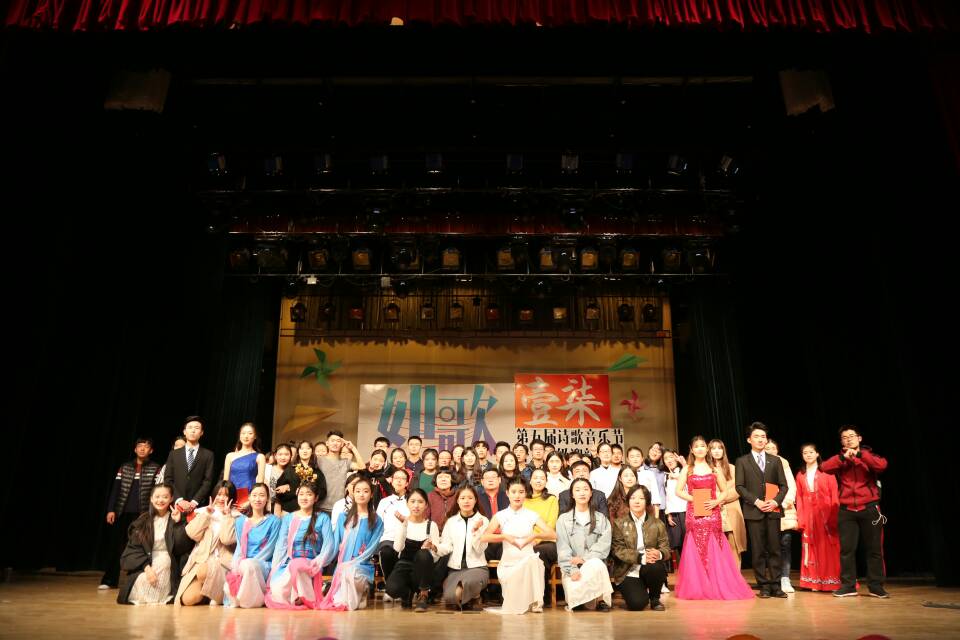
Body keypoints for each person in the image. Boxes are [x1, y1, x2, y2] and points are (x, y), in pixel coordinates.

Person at [675, 436, 755, 600]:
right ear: (692, 450)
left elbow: (724, 491)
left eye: (702, 446)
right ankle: (699, 585)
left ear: (706, 449)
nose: (700, 449)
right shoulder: (688, 469)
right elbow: (678, 491)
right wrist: (693, 499)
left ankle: (715, 584)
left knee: (714, 545)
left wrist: (716, 501)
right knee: (696, 546)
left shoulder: (714, 469)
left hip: (712, 512)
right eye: (696, 446)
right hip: (694, 513)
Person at [821, 425, 888, 598]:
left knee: (874, 549)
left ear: (859, 438)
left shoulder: (869, 455)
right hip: (847, 510)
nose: (848, 439)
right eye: (844, 437)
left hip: (870, 507)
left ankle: (876, 586)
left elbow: (881, 465)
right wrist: (842, 458)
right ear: (841, 442)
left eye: (851, 436)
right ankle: (848, 586)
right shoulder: (840, 459)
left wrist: (859, 455)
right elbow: (825, 467)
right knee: (847, 550)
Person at [481, 477, 557, 614]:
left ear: (525, 494)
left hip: (527, 560)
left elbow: (553, 535)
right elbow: (484, 537)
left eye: (521, 492)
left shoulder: (532, 515)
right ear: (507, 493)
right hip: (509, 563)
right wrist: (504, 537)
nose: (517, 496)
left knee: (534, 560)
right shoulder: (500, 515)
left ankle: (536, 602)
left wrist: (534, 536)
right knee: (514, 604)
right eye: (514, 492)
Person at [734, 423, 788, 598]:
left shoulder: (775, 460)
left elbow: (784, 486)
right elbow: (739, 487)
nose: (760, 439)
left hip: (773, 509)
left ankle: (776, 585)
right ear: (749, 440)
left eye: (763, 436)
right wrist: (756, 501)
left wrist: (775, 501)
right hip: (754, 510)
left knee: (775, 549)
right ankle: (763, 585)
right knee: (758, 550)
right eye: (756, 436)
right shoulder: (742, 461)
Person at [101, 437, 161, 590]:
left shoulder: (155, 468)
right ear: (135, 449)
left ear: (151, 450)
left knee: (141, 548)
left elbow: (157, 492)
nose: (142, 449)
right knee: (115, 547)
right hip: (122, 513)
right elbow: (116, 489)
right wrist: (111, 509)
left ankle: (136, 582)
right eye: (139, 446)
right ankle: (109, 580)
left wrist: (152, 513)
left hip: (142, 515)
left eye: (146, 446)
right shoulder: (125, 467)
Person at [264, 481, 334, 609]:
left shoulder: (323, 518)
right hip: (290, 563)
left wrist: (318, 562)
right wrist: (274, 569)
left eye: (309, 494)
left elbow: (329, 545)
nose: (304, 497)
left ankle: (307, 597)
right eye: (301, 494)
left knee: (298, 566)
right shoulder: (288, 518)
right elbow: (281, 546)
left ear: (316, 498)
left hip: (312, 564)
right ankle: (298, 595)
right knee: (277, 591)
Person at [318, 477, 385, 610]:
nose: (361, 494)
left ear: (371, 494)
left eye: (365, 491)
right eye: (358, 491)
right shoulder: (343, 517)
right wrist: (321, 559)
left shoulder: (377, 520)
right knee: (339, 602)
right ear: (353, 493)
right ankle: (357, 594)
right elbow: (335, 543)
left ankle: (364, 590)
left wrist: (354, 562)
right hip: (342, 565)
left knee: (351, 572)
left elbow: (372, 548)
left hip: (362, 566)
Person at [118, 483, 189, 605]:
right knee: (142, 580)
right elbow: (133, 549)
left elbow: (181, 548)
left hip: (168, 560)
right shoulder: (143, 521)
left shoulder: (177, 518)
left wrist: (177, 524)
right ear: (151, 498)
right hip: (145, 562)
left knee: (164, 564)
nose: (160, 500)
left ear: (171, 498)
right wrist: (147, 568)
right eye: (157, 497)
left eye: (165, 497)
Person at [177, 480, 241, 606]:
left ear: (231, 498)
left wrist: (227, 516)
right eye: (219, 494)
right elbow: (192, 533)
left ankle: (219, 595)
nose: (221, 498)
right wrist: (207, 514)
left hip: (222, 563)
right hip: (201, 560)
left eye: (226, 495)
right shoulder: (203, 511)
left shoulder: (236, 516)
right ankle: (211, 594)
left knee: (203, 571)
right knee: (187, 600)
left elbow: (227, 539)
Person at [555, 478, 613, 611]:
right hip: (573, 567)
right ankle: (579, 599)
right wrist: (572, 569)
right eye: (577, 490)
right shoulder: (563, 520)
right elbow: (562, 549)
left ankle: (600, 600)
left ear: (591, 493)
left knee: (597, 563)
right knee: (576, 603)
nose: (582, 493)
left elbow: (604, 545)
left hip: (593, 565)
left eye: (586, 489)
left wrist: (585, 559)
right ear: (572, 494)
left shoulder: (601, 518)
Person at [610, 485, 671, 610]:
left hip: (649, 567)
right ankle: (638, 590)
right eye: (633, 498)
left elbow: (665, 548)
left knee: (656, 566)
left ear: (647, 502)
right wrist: (641, 557)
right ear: (628, 501)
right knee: (637, 604)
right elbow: (617, 550)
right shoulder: (619, 523)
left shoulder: (657, 523)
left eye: (641, 498)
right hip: (627, 570)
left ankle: (655, 599)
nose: (636, 501)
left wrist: (659, 554)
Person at [223, 483, 281, 608]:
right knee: (228, 585)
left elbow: (270, 549)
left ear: (267, 499)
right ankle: (245, 597)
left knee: (249, 566)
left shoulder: (274, 521)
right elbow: (239, 548)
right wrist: (236, 566)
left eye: (262, 495)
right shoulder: (240, 521)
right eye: (254, 495)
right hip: (244, 564)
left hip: (263, 564)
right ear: (249, 498)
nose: (257, 499)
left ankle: (250, 601)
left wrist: (248, 563)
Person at [794, 443, 841, 592]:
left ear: (817, 454)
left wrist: (834, 514)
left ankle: (831, 581)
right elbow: (799, 497)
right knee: (811, 546)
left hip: (826, 514)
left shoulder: (827, 472)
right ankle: (814, 581)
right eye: (805, 453)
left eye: (811, 452)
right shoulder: (800, 475)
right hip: (809, 515)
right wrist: (801, 518)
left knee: (828, 547)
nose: (808, 455)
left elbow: (834, 494)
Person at [385, 489, 441, 611]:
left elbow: (436, 557)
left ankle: (423, 595)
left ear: (426, 505)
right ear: (407, 503)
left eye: (420, 502)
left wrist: (431, 547)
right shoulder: (402, 522)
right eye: (413, 501)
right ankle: (407, 593)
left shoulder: (431, 525)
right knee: (391, 589)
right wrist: (403, 525)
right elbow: (398, 548)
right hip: (404, 566)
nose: (416, 505)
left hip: (423, 571)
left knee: (423, 554)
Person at [436, 485, 490, 611]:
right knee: (451, 598)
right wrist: (435, 547)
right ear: (457, 501)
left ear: (475, 500)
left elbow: (480, 549)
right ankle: (471, 597)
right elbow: (447, 546)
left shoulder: (483, 520)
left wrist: (476, 531)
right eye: (463, 498)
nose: (466, 501)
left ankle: (475, 595)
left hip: (477, 567)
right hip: (456, 569)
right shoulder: (451, 521)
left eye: (470, 498)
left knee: (465, 587)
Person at [707, 439, 748, 569]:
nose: (717, 451)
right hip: (712, 510)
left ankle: (735, 575)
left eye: (719, 448)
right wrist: (715, 500)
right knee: (715, 545)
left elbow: (738, 489)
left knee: (733, 544)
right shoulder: (706, 469)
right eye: (713, 448)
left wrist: (721, 499)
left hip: (731, 509)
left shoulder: (732, 468)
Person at [164, 416, 215, 518]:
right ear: (184, 432)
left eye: (196, 428)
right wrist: (179, 500)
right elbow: (168, 479)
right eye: (190, 427)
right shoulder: (174, 454)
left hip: (197, 506)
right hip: (176, 505)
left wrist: (194, 501)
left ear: (201, 433)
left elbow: (208, 481)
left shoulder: (208, 455)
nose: (193, 430)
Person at [766, 439, 799, 593]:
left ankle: (785, 578)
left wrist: (784, 503)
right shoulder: (759, 464)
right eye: (767, 448)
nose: (771, 450)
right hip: (767, 508)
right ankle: (773, 577)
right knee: (770, 546)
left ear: (777, 450)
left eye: (773, 448)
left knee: (785, 544)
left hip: (784, 507)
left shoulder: (783, 463)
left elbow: (791, 486)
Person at [524, 468, 560, 606]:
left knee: (539, 552)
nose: (538, 481)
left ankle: (541, 596)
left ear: (546, 482)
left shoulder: (551, 499)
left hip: (547, 540)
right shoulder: (524, 499)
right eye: (535, 478)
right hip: (527, 540)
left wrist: (537, 539)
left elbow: (551, 523)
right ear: (530, 481)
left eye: (542, 478)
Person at [376, 467, 412, 583]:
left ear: (407, 483)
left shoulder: (412, 500)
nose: (399, 481)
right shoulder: (384, 502)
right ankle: (389, 583)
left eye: (403, 478)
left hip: (408, 539)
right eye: (396, 478)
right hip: (388, 539)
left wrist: (405, 520)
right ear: (391, 481)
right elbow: (378, 524)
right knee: (386, 552)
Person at [316, 431, 364, 516]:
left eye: (338, 441)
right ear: (327, 443)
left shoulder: (346, 462)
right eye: (332, 440)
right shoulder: (319, 460)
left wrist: (353, 448)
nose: (335, 443)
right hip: (320, 506)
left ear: (342, 444)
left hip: (340, 507)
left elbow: (362, 466)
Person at [223, 422, 266, 511]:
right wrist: (225, 498)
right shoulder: (230, 456)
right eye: (243, 433)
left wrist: (250, 501)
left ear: (255, 436)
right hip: (231, 497)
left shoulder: (260, 457)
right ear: (239, 436)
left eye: (250, 433)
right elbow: (225, 482)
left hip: (249, 498)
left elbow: (260, 484)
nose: (246, 436)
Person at [662, 449, 687, 561]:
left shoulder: (684, 471)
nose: (669, 460)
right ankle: (684, 567)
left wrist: (683, 466)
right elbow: (667, 496)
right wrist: (668, 514)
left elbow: (693, 483)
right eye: (666, 458)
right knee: (678, 543)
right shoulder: (665, 476)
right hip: (674, 513)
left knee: (689, 541)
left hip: (686, 510)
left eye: (671, 457)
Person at [265, 443, 293, 515]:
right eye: (280, 454)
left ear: (291, 456)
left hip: (286, 508)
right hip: (267, 505)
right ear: (275, 456)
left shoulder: (293, 471)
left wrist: (288, 487)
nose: (283, 457)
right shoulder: (267, 469)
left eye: (286, 454)